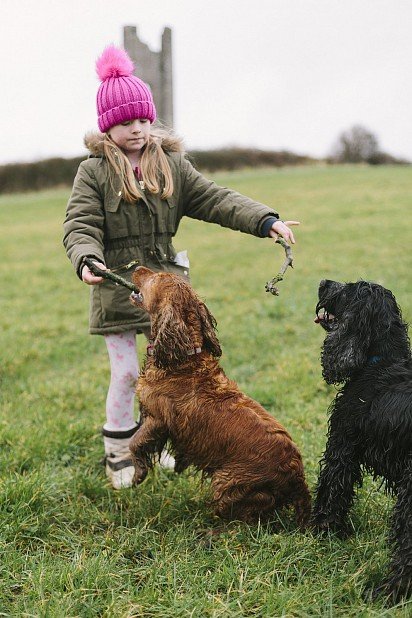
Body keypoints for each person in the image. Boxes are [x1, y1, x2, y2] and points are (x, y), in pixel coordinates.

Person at [63, 45, 299, 489]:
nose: (137, 130)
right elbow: (79, 224)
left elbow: (216, 198)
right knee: (129, 373)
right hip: (118, 287)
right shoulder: (92, 173)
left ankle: (166, 443)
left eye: (143, 120)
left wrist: (265, 219)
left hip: (168, 294)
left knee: (173, 377)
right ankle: (119, 449)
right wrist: (85, 259)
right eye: (125, 122)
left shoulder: (172, 164)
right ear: (107, 126)